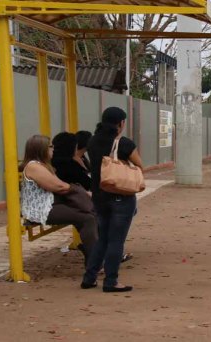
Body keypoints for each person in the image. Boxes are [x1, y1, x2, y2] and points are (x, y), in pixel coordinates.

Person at [81, 107, 143, 293]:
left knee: (103, 239)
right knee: (116, 240)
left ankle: (89, 278)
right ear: (121, 123)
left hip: (100, 196)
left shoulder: (92, 141)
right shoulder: (123, 143)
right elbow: (140, 165)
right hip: (121, 196)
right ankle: (111, 281)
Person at [20, 135, 97, 265]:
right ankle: (95, 259)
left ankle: (94, 253)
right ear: (41, 149)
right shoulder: (34, 167)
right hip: (40, 210)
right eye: (50, 146)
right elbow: (58, 186)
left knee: (90, 213)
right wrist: (80, 191)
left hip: (51, 205)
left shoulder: (44, 165)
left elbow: (59, 185)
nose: (53, 149)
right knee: (87, 218)